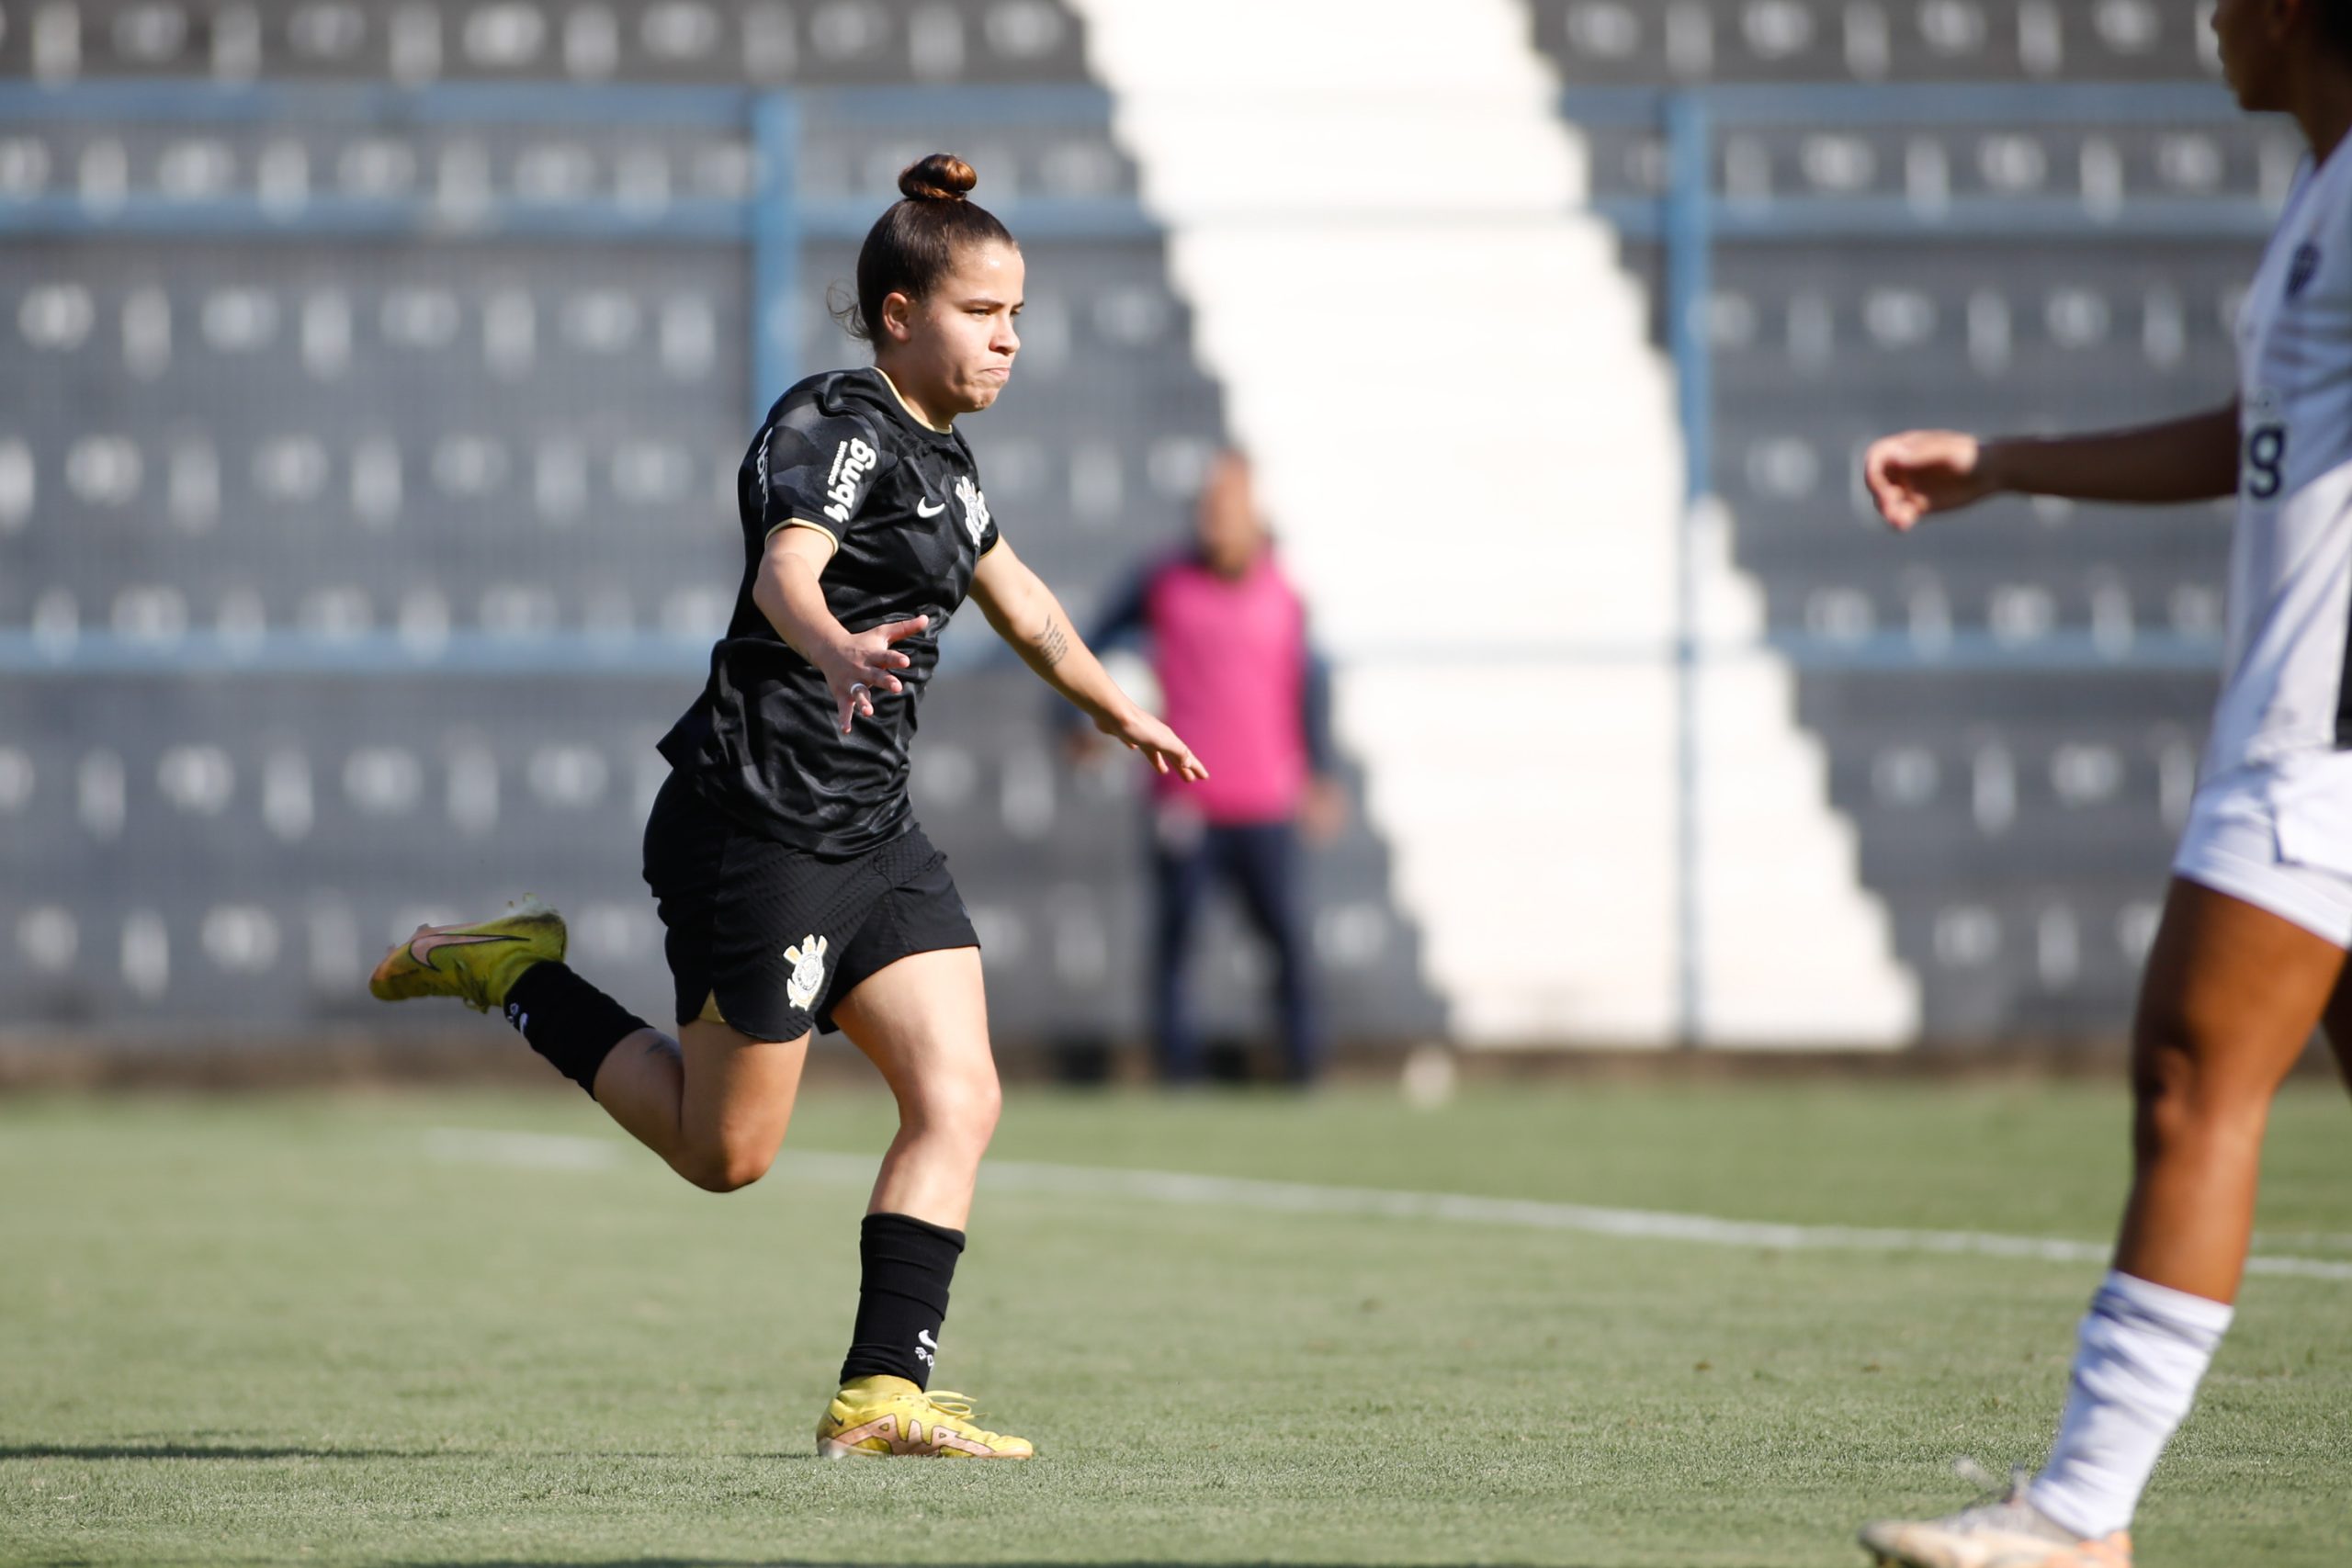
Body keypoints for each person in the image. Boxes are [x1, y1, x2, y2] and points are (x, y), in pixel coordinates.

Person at [367, 154, 1204, 1461]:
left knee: (959, 1094)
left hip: (870, 827)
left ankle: (881, 1390)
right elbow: (784, 569)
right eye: (985, 311)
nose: (1010, 337)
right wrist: (829, 645)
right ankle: (516, 973)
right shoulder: (836, 423)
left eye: (1019, 312)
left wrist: (1116, 706)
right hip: (758, 824)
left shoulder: (952, 465)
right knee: (726, 1153)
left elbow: (1026, 600)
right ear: (896, 314)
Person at [1852, 4, 2352, 1562]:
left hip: (2318, 740)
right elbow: (2265, 435)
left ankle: (2079, 1516)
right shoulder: (2325, 189)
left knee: (2192, 1077)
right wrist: (2010, 459)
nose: (2206, 21)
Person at [1068, 451, 1344, 1084]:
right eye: (1208, 504)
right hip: (1184, 802)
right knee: (1176, 944)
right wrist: (1078, 724)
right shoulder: (1161, 581)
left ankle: (1304, 1068)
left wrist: (1321, 772)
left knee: (1286, 942)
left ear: (1254, 513)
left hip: (1266, 801)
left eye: (1229, 504)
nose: (1215, 517)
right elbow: (1084, 645)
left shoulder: (1286, 593)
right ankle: (1178, 1074)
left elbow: (1310, 683)